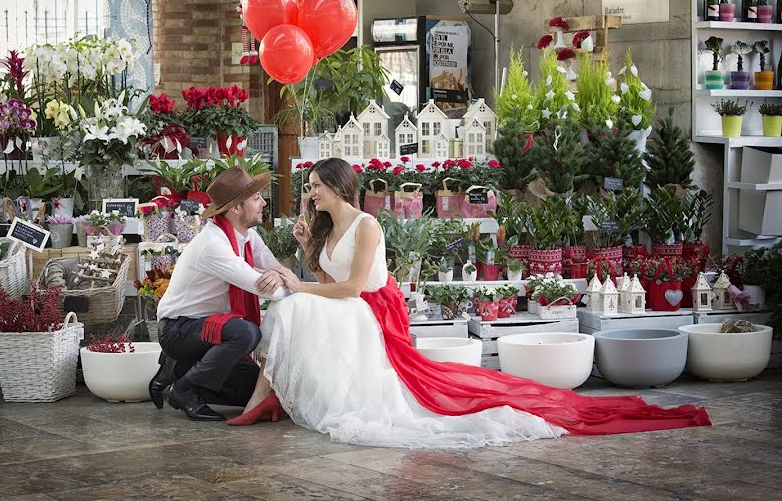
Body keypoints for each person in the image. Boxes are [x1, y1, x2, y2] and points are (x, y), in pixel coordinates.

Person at [228, 157, 711, 447]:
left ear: (335, 186)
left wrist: (300, 283)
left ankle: (264, 395)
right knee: (291, 302)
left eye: (313, 186)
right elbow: (325, 280)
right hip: (348, 308)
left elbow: (352, 288)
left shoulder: (367, 225)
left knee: (292, 302)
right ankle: (268, 394)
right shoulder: (328, 228)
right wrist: (308, 248)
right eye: (310, 187)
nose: (309, 193)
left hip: (373, 310)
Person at [148, 166, 290, 421]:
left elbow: (277, 272)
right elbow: (272, 290)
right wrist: (278, 279)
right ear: (236, 208)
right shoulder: (213, 244)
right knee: (246, 333)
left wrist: (278, 275)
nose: (263, 202)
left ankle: (179, 368)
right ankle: (185, 389)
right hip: (179, 329)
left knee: (253, 392)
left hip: (208, 328)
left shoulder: (248, 236)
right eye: (256, 198)